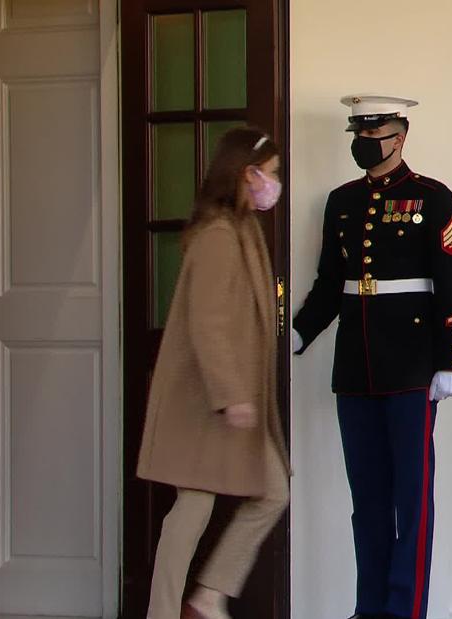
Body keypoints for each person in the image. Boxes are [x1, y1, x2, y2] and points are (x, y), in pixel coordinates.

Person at [291, 94, 452, 619]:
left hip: (414, 368)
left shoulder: (432, 198)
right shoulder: (341, 201)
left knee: (411, 503)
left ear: (401, 136)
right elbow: (331, 283)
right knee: (366, 502)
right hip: (357, 367)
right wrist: (299, 334)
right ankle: (368, 609)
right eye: (359, 136)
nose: (364, 144)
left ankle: (405, 610)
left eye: (376, 134)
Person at [136, 127, 290, 619]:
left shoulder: (237, 227)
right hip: (207, 402)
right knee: (198, 505)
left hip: (223, 403)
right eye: (271, 173)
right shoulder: (221, 235)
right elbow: (208, 322)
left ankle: (203, 598)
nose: (275, 183)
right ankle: (183, 605)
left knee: (259, 493)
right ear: (247, 173)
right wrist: (230, 394)